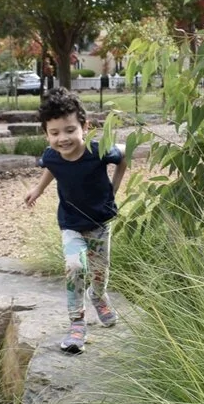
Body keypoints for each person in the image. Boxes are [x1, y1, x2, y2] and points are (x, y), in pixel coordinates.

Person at [19, 90, 129, 355]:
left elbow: (124, 155)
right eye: (54, 133)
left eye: (70, 130)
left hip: (100, 223)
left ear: (85, 127)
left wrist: (113, 190)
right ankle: (77, 323)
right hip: (70, 224)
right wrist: (38, 190)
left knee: (99, 273)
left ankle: (98, 296)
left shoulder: (97, 150)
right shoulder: (52, 154)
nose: (62, 138)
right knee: (74, 266)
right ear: (46, 134)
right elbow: (51, 166)